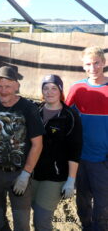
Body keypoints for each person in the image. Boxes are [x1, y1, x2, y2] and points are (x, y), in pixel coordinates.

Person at [0, 65, 44, 231]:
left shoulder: (28, 108)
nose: (3, 91)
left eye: (8, 86)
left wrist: (26, 174)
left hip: (19, 173)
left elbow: (37, 144)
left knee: (21, 224)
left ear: (17, 86)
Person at [32, 74, 82, 231]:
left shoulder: (70, 116)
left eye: (54, 88)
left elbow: (75, 150)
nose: (49, 92)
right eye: (45, 88)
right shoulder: (35, 111)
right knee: (35, 211)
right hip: (32, 174)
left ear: (61, 90)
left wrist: (71, 180)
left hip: (55, 176)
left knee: (41, 220)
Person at [65, 46, 108, 231]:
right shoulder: (77, 88)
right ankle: (86, 226)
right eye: (88, 64)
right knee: (82, 200)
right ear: (83, 66)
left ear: (104, 63)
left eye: (96, 63)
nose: (93, 68)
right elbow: (65, 120)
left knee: (103, 202)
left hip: (104, 159)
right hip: (80, 158)